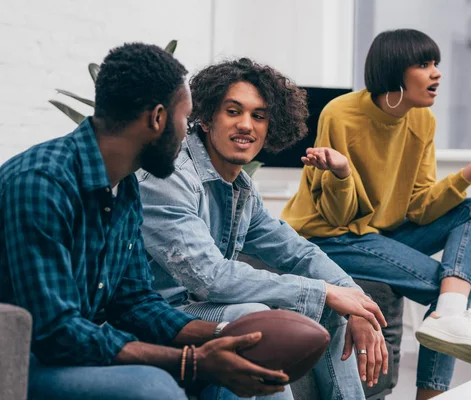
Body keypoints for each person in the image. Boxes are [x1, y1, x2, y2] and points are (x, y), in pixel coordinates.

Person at [0, 43, 290, 400]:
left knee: (239, 368)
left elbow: (135, 303)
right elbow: (57, 332)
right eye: (185, 120)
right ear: (157, 118)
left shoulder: (125, 188)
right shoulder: (41, 183)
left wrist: (225, 335)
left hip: (74, 349)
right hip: (23, 360)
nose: (187, 134)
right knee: (152, 388)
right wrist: (191, 362)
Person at [281, 29, 471, 400]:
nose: (436, 73)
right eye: (424, 64)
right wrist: (341, 173)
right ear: (394, 70)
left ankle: (450, 314)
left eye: (436, 64)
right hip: (331, 237)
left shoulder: (422, 120)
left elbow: (420, 206)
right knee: (448, 289)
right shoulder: (341, 114)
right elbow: (337, 216)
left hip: (381, 234)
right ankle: (432, 389)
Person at [137, 58, 388, 400]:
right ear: (207, 117)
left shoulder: (240, 188)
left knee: (332, 306)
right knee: (257, 318)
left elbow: (296, 251)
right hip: (163, 315)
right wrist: (324, 292)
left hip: (203, 305)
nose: (246, 125)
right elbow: (210, 277)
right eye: (233, 111)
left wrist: (354, 299)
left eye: (258, 116)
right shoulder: (170, 176)